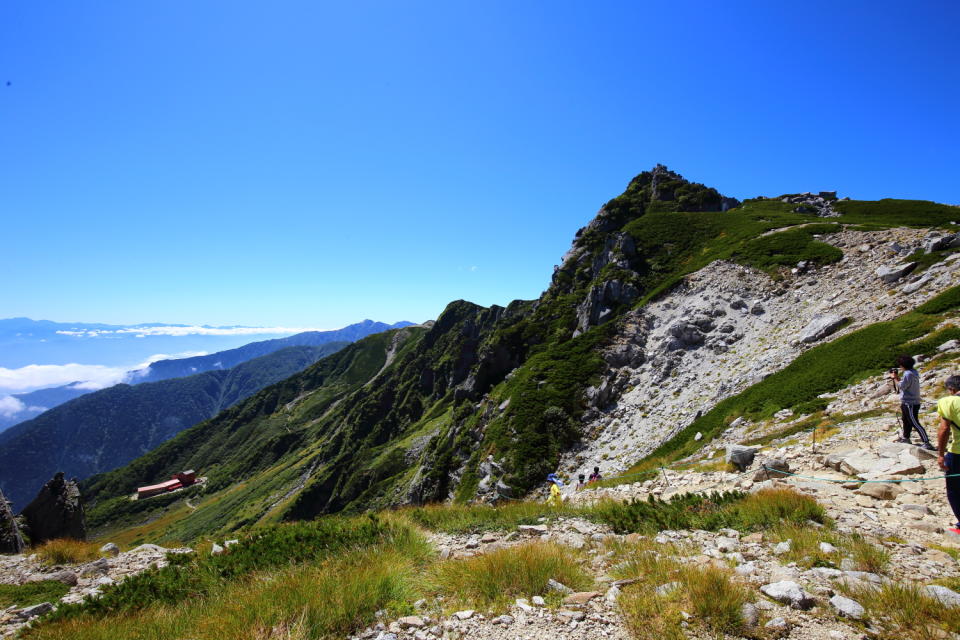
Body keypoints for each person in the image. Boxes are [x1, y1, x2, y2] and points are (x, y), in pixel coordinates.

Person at [890, 355, 935, 450]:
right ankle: (906, 437)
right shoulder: (913, 372)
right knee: (905, 420)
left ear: (903, 365)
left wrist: (895, 378)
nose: (900, 367)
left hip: (910, 403)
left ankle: (926, 442)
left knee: (914, 422)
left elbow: (902, 386)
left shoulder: (908, 374)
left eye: (900, 365)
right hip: (910, 401)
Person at [935, 375, 960, 536]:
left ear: (951, 389)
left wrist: (941, 455)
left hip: (958, 452)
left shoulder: (948, 402)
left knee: (955, 490)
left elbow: (944, 430)